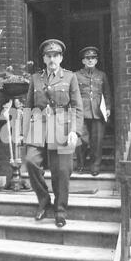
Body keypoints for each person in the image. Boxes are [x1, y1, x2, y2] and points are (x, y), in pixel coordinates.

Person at [23, 39, 83, 228]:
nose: (52, 59)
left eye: (55, 55)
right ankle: (43, 200)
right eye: (48, 56)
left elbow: (77, 107)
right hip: (39, 127)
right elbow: (28, 106)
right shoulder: (35, 79)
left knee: (62, 171)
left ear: (61, 57)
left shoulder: (70, 77)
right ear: (44, 58)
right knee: (31, 162)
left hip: (62, 128)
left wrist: (74, 130)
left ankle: (60, 210)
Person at [75, 46, 111, 176]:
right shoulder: (76, 75)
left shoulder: (102, 75)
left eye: (93, 58)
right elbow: (73, 94)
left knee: (97, 141)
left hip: (97, 112)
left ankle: (95, 166)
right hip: (81, 112)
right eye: (87, 58)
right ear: (83, 61)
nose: (90, 60)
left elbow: (107, 93)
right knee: (81, 140)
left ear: (96, 61)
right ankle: (80, 164)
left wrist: (107, 108)